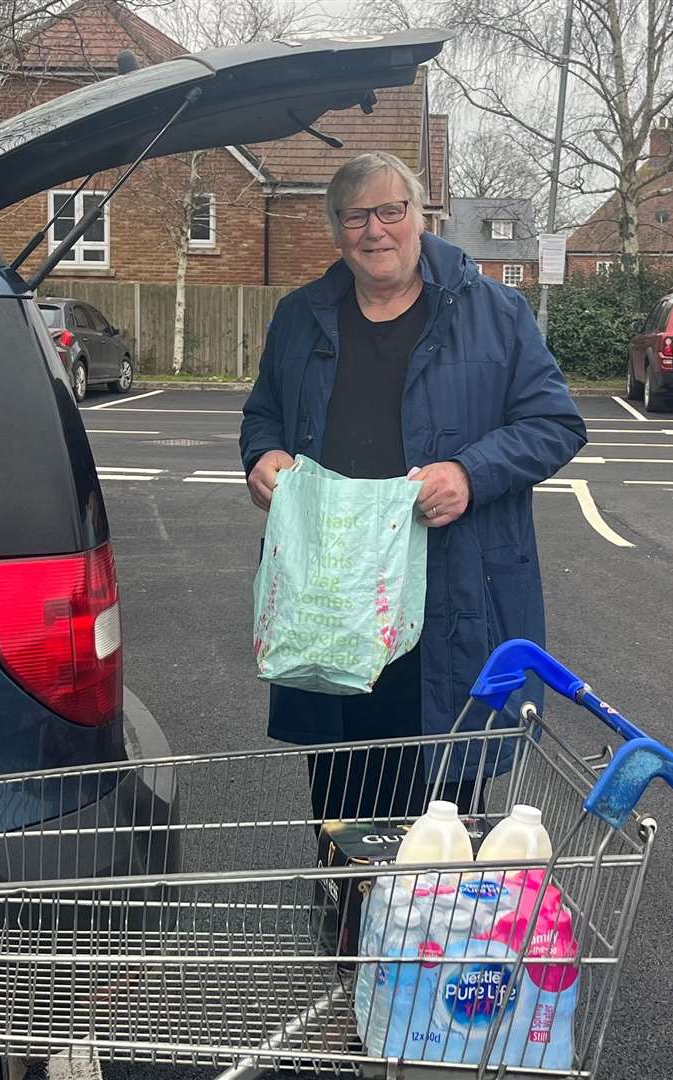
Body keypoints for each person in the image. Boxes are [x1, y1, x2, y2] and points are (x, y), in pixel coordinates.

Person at [239, 151, 586, 823]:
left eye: (391, 211)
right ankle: (346, 922)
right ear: (336, 231)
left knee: (440, 812)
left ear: (421, 216)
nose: (376, 230)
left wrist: (471, 474)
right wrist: (264, 455)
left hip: (449, 594)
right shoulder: (300, 317)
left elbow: (555, 422)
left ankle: (425, 927)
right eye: (356, 216)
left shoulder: (494, 312)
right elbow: (264, 415)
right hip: (331, 603)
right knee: (341, 797)